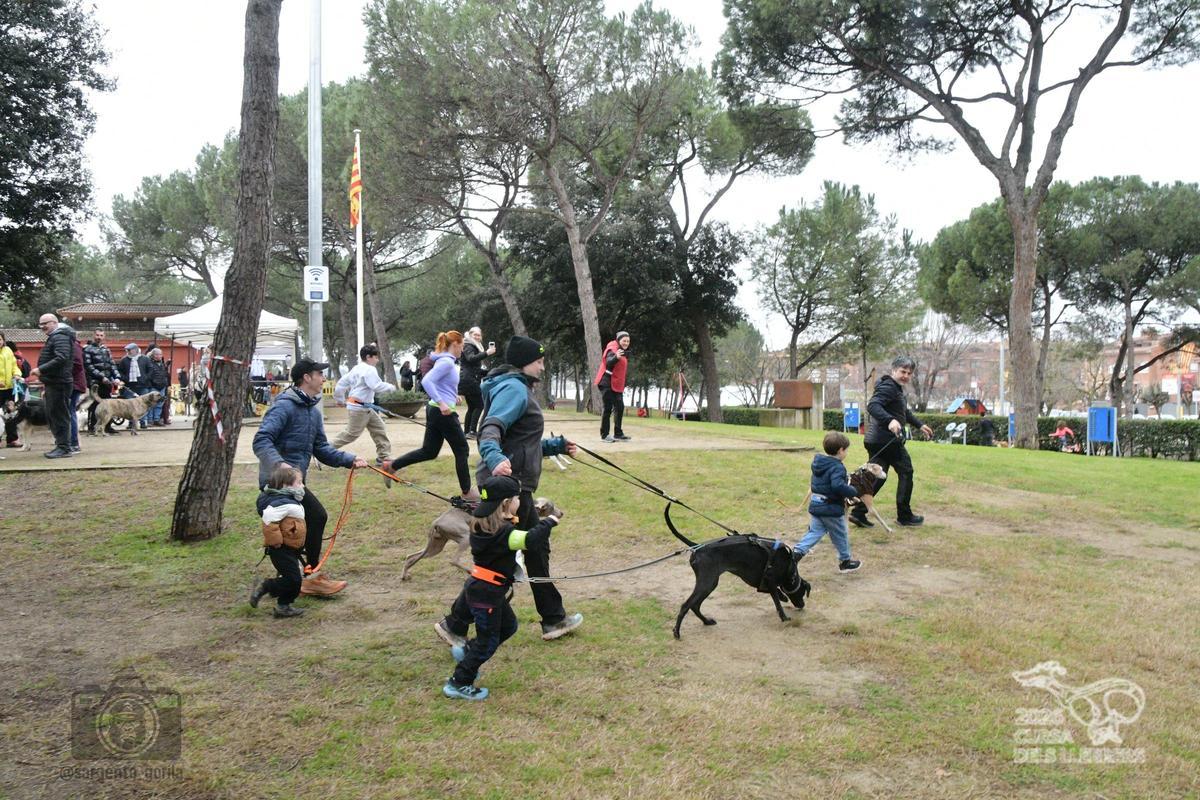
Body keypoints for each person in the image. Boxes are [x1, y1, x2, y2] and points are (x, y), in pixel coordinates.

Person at [436, 335, 580, 647]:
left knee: (529, 550)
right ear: (524, 362)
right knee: (502, 559)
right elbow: (491, 429)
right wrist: (495, 457)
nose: (542, 366)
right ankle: (456, 623)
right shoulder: (514, 388)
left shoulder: (514, 386)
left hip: (514, 483)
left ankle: (552, 617)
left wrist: (555, 446)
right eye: (539, 360)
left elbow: (521, 441)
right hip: (508, 486)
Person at [252, 358, 369, 597]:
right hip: (276, 485)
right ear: (306, 377)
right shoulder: (284, 406)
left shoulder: (313, 412)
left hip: (295, 485)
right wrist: (281, 465)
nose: (324, 378)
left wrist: (349, 459)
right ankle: (304, 578)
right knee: (306, 521)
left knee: (311, 520)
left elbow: (321, 449)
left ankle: (303, 576)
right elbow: (261, 440)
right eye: (319, 374)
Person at [441, 474, 562, 701]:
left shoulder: (483, 525)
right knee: (487, 643)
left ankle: (467, 653)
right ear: (507, 503)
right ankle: (459, 682)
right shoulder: (504, 533)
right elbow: (531, 539)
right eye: (517, 498)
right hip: (487, 594)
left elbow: (514, 533)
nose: (520, 501)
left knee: (508, 626)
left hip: (483, 589)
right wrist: (551, 520)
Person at [389, 331, 476, 500]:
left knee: (429, 451)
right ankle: (467, 492)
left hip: (435, 410)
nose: (463, 350)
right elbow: (427, 381)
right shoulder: (447, 362)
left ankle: (392, 465)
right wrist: (442, 402)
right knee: (462, 449)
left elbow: (441, 384)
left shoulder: (445, 361)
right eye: (462, 346)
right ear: (455, 344)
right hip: (442, 412)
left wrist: (452, 395)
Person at [852, 355, 933, 528]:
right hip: (886, 440)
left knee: (878, 476)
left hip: (875, 440)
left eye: (909, 373)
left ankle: (858, 512)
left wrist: (920, 425)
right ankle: (904, 515)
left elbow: (904, 412)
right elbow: (873, 406)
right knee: (906, 471)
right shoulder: (889, 387)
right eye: (903, 371)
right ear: (894, 370)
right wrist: (890, 421)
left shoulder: (895, 389)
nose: (906, 376)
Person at [793, 432, 861, 572]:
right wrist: (852, 491)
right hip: (830, 508)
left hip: (816, 504)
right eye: (846, 450)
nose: (846, 453)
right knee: (840, 534)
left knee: (815, 532)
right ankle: (845, 561)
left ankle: (795, 554)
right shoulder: (837, 467)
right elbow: (837, 486)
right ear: (841, 450)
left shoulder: (819, 463)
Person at [249, 464, 311, 618]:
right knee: (294, 580)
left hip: (289, 549)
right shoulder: (282, 502)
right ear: (285, 485)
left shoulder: (288, 499)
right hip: (281, 549)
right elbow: (269, 519)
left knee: (293, 579)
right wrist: (275, 541)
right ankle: (267, 587)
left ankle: (282, 605)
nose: (302, 486)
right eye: (299, 482)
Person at [332, 344, 396, 481]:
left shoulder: (356, 369)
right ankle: (324, 450)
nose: (377, 360)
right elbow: (376, 386)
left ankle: (383, 458)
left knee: (379, 428)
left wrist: (339, 399)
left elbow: (341, 384)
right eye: (376, 357)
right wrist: (391, 387)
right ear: (368, 357)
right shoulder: (369, 369)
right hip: (359, 409)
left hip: (365, 407)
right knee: (350, 434)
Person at [30, 314, 76, 458]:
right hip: (54, 382)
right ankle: (61, 445)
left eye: (45, 323)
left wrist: (41, 369)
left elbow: (61, 358)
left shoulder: (60, 337)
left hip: (59, 382)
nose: (42, 327)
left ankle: (64, 448)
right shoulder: (56, 336)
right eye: (40, 324)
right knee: (54, 415)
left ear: (55, 322)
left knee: (59, 416)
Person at [83, 330, 123, 434]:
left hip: (108, 382)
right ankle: (93, 427)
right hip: (95, 381)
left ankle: (107, 426)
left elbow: (112, 364)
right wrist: (101, 377)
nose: (99, 337)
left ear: (104, 337)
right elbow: (88, 366)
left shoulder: (106, 349)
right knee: (95, 404)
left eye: (101, 335)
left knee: (108, 404)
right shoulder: (87, 349)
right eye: (97, 335)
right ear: (93, 335)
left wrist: (117, 377)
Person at [594, 331, 631, 443]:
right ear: (618, 340)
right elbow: (609, 362)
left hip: (616, 384)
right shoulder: (612, 349)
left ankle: (618, 434)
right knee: (608, 408)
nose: (626, 343)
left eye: (628, 341)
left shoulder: (622, 351)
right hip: (606, 382)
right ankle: (605, 435)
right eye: (624, 341)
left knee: (620, 407)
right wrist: (616, 357)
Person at [460, 327, 496, 439]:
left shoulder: (473, 345)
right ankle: (472, 431)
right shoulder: (468, 345)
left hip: (468, 378)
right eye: (475, 335)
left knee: (472, 407)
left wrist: (488, 372)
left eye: (479, 335)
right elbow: (471, 359)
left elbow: (472, 367)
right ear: (470, 335)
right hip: (469, 380)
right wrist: (487, 353)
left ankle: (467, 432)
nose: (477, 337)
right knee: (479, 405)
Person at [117, 343, 153, 429]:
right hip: (129, 386)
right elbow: (120, 371)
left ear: (136, 350)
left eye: (130, 350)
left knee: (144, 405)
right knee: (130, 405)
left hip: (143, 385)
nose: (128, 352)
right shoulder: (124, 360)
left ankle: (143, 422)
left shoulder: (145, 359)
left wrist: (146, 378)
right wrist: (125, 378)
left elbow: (150, 369)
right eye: (127, 350)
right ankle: (131, 423)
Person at [0, 332, 23, 447]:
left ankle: (12, 439)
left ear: (3, 340)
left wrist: (17, 374)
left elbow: (14, 366)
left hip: (9, 388)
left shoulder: (8, 350)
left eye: (0, 339)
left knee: (11, 413)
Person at [69, 333, 86, 453]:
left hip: (73, 384)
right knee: (71, 412)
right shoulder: (77, 347)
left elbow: (76, 366)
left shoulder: (73, 347)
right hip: (76, 383)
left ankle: (73, 443)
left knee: (70, 413)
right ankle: (73, 442)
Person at [146, 348, 171, 426]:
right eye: (157, 354)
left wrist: (166, 384)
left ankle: (156, 419)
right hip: (153, 386)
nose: (159, 356)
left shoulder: (162, 364)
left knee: (160, 404)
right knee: (151, 404)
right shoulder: (149, 364)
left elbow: (165, 374)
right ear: (153, 355)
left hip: (162, 386)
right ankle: (150, 420)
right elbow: (149, 376)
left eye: (160, 354)